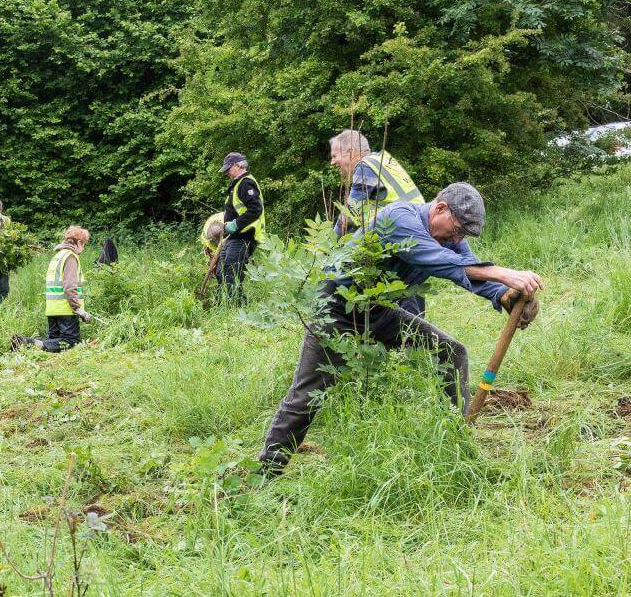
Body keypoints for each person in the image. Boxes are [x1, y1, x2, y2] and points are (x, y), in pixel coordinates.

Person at [257, 183, 542, 477]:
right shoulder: (399, 217)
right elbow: (439, 261)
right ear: (440, 208)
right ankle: (265, 471)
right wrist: (502, 273)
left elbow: (467, 271)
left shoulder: (451, 241)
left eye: (463, 236)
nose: (457, 239)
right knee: (308, 394)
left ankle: (455, 443)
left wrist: (504, 296)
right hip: (336, 310)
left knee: (451, 353)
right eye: (457, 230)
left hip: (379, 310)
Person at [329, 129, 427, 315]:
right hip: (417, 234)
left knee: (402, 304)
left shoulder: (365, 166)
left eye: (335, 156)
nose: (333, 162)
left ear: (350, 152)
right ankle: (416, 341)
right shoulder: (384, 161)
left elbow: (349, 216)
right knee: (409, 297)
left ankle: (410, 342)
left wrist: (328, 250)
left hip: (403, 236)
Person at [12, 226, 93, 352]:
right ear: (79, 242)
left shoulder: (58, 256)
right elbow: (69, 286)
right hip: (66, 310)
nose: (83, 248)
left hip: (52, 309)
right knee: (70, 342)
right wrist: (78, 309)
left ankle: (25, 342)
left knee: (54, 341)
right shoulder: (70, 257)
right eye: (84, 244)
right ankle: (29, 343)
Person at [217, 152, 265, 303]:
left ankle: (236, 307)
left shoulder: (246, 183)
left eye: (228, 169)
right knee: (220, 272)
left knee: (231, 273)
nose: (226, 172)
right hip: (232, 237)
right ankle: (223, 302)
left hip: (243, 236)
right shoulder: (237, 184)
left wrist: (235, 224)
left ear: (238, 165)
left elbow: (256, 209)